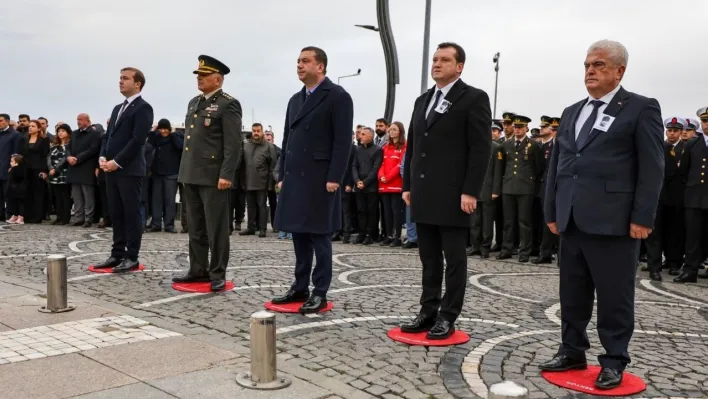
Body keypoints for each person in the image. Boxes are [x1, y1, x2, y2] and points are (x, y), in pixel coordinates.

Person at [539, 40, 663, 390]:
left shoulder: (640, 108)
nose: (590, 71)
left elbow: (652, 168)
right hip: (573, 219)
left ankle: (613, 360)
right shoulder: (572, 111)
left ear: (619, 71)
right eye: (586, 65)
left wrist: (643, 217)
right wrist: (552, 209)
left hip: (616, 221)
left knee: (614, 296)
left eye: (598, 65)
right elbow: (559, 168)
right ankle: (571, 350)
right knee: (572, 292)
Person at [400, 42, 492, 339]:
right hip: (424, 192)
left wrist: (470, 191)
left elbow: (480, 149)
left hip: (454, 195)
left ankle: (448, 315)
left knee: (454, 259)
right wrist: (408, 185)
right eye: (435, 59)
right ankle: (428, 310)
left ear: (459, 66)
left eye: (444, 60)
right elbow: (413, 146)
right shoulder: (422, 100)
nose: (437, 64)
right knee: (428, 257)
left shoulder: (473, 98)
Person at [271, 46, 353, 313]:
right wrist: (282, 174)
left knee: (320, 237)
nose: (299, 65)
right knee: (299, 235)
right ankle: (299, 286)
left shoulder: (337, 96)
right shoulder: (295, 99)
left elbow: (343, 142)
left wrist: (334, 177)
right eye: (297, 61)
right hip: (296, 178)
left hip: (321, 179)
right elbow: (287, 138)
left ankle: (320, 291)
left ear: (320, 66)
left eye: (305, 61)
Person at [172, 55, 242, 292]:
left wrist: (227, 174)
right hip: (191, 173)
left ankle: (217, 272)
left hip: (213, 176)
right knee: (196, 226)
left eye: (204, 76)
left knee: (217, 228)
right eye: (198, 76)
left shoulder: (228, 104)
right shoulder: (194, 102)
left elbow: (233, 144)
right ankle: (197, 269)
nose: (200, 79)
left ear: (218, 79)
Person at [94, 67, 154, 273]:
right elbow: (108, 137)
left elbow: (137, 140)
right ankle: (116, 253)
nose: (121, 81)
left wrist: (117, 161)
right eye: (120, 78)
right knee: (116, 213)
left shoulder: (143, 108)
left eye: (125, 78)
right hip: (111, 169)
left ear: (137, 84)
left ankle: (132, 256)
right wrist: (103, 156)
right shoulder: (117, 108)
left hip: (129, 170)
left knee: (131, 213)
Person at [5, 154, 28, 224]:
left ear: (17, 162)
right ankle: (15, 215)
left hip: (19, 190)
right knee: (14, 203)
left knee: (20, 204)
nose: (10, 163)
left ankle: (21, 217)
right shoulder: (12, 169)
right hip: (13, 190)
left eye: (12, 161)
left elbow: (17, 179)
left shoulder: (19, 170)